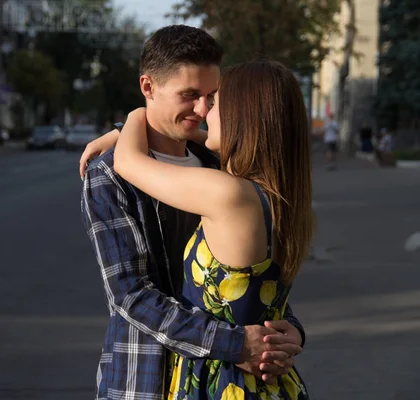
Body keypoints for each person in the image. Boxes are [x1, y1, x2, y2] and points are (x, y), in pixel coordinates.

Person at [80, 25, 306, 400]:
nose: (202, 110)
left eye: (212, 97)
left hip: (221, 380)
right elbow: (130, 295)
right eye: (189, 95)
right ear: (148, 87)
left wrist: (286, 330)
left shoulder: (221, 167)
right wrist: (240, 343)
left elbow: (249, 277)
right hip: (147, 378)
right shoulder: (108, 175)